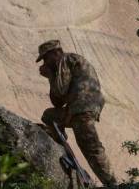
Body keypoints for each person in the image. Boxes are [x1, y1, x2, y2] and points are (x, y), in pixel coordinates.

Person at [37, 40, 118, 188]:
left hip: (82, 107)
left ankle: (112, 184)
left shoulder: (65, 60)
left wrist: (50, 76)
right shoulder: (66, 63)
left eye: (46, 58)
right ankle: (58, 143)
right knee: (49, 116)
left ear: (56, 53)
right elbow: (57, 103)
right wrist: (52, 76)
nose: (45, 62)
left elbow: (60, 91)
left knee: (90, 147)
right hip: (78, 108)